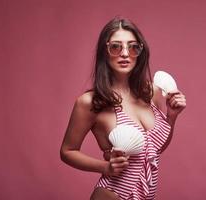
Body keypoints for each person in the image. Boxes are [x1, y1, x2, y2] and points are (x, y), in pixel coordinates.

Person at [60, 16, 186, 200]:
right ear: (105, 52)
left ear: (140, 52)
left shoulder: (151, 92)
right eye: (116, 47)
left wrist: (172, 117)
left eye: (133, 47)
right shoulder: (91, 102)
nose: (125, 53)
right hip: (112, 195)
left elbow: (153, 150)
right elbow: (67, 151)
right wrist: (105, 167)